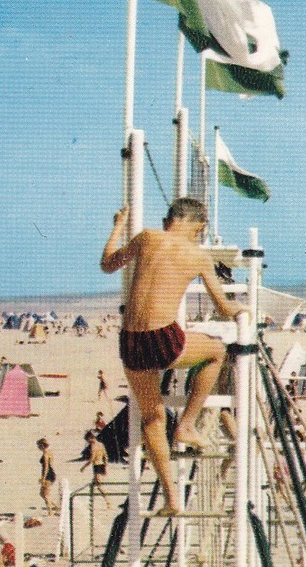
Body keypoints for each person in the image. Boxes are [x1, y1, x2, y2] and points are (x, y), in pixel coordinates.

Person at [100, 198, 244, 517]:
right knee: (216, 352)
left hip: (131, 342)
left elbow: (108, 263)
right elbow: (224, 308)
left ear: (170, 220)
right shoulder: (198, 255)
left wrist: (118, 227)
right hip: (163, 340)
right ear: (199, 226)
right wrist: (244, 311)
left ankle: (171, 498)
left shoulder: (147, 238)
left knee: (152, 418)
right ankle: (187, 425)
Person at [37, 438, 59, 515]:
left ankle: (50, 512)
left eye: (39, 445)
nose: (38, 447)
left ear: (42, 445)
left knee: (46, 494)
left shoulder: (46, 454)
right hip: (51, 473)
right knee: (42, 493)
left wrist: (43, 478)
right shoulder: (50, 452)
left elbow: (46, 466)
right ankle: (57, 507)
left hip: (48, 475)